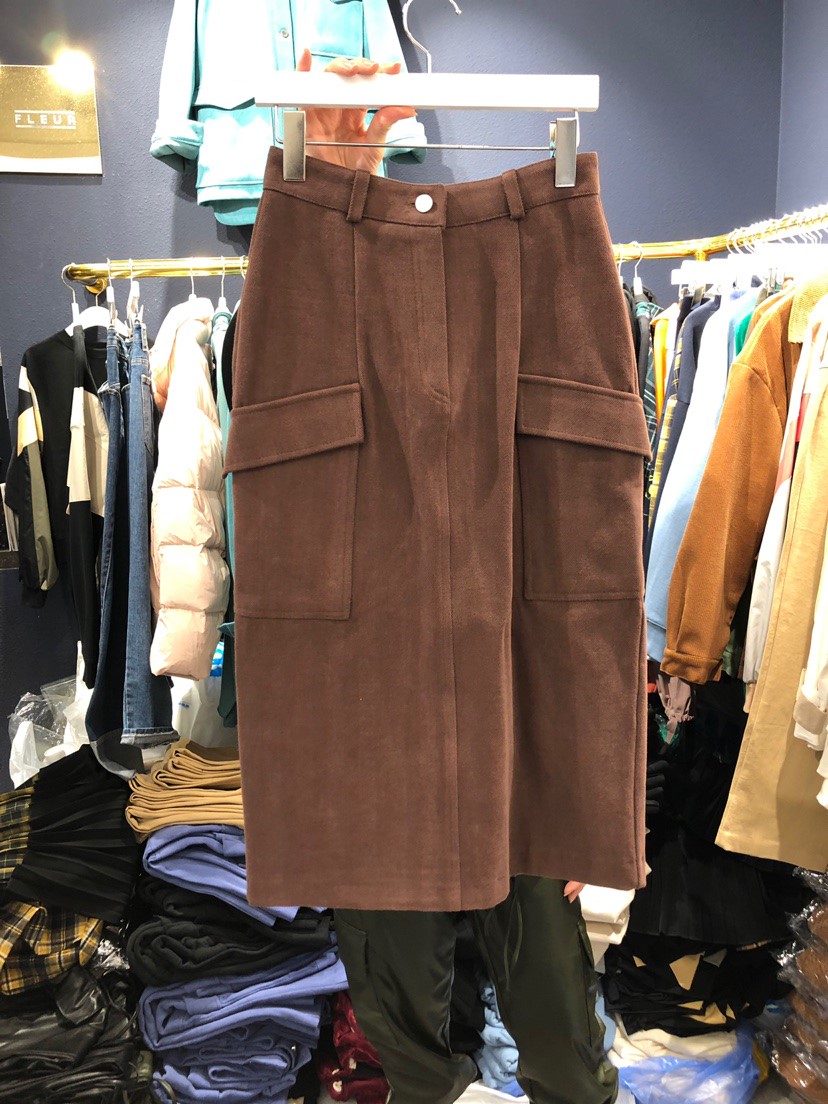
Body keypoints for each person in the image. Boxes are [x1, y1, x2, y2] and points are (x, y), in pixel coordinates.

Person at [297, 48, 619, 1104]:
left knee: (559, 1005)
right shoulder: (313, 279)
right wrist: (329, 186)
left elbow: (595, 583)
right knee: (397, 988)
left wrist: (589, 780)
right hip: (376, 685)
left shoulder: (553, 260)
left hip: (522, 687)